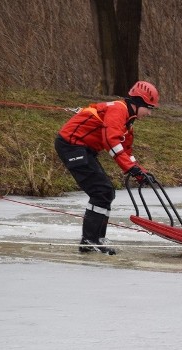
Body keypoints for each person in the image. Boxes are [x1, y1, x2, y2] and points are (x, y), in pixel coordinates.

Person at [54, 81, 160, 255]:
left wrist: (140, 172)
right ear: (138, 103)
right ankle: (89, 241)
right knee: (101, 191)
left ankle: (97, 238)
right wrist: (129, 169)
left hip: (84, 149)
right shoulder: (119, 110)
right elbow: (111, 141)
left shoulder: (128, 119)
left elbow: (126, 149)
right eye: (149, 108)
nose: (149, 112)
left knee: (106, 192)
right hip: (71, 145)